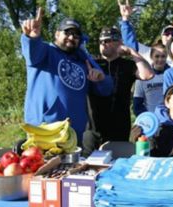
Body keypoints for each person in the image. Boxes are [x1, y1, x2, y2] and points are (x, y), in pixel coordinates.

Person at [20, 8, 113, 143]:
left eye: (76, 36)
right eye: (67, 33)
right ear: (57, 34)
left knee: (73, 165)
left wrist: (101, 79)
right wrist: (32, 37)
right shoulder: (45, 51)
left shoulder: (84, 61)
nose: (71, 37)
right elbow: (31, 54)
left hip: (74, 132)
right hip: (44, 129)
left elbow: (106, 90)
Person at [83, 26, 154, 156]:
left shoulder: (128, 65)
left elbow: (147, 74)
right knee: (86, 167)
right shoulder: (92, 63)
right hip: (93, 128)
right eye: (101, 41)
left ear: (119, 43)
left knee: (116, 166)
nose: (103, 43)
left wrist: (131, 52)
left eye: (108, 40)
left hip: (119, 126)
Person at [118, 0, 173, 67]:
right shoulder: (148, 53)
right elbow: (130, 44)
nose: (170, 36)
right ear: (162, 36)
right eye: (167, 33)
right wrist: (125, 18)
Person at [133, 42, 169, 116]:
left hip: (170, 119)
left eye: (163, 56)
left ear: (166, 57)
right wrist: (147, 118)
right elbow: (137, 105)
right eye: (157, 56)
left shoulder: (172, 75)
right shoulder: (143, 76)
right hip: (151, 120)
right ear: (151, 57)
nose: (160, 59)